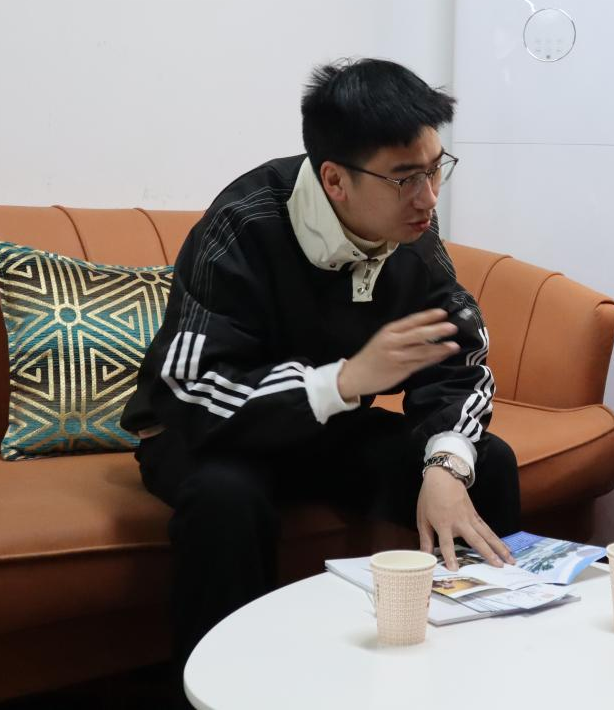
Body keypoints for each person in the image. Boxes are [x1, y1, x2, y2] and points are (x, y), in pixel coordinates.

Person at [122, 58, 520, 682]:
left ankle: (482, 675)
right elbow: (192, 389)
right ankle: (222, 689)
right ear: (335, 180)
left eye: (435, 168)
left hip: (323, 432)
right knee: (226, 500)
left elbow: (459, 360)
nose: (428, 196)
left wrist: (445, 465)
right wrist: (344, 381)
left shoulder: (412, 229)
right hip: (207, 434)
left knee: (484, 464)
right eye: (405, 178)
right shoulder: (244, 220)